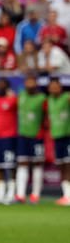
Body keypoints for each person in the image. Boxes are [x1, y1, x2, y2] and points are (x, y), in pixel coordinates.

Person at [15, 75, 46, 204]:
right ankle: (20, 194)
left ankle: (35, 194)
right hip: (23, 135)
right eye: (28, 82)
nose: (30, 85)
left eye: (32, 82)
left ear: (36, 84)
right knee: (22, 163)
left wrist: (42, 130)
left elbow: (47, 116)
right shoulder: (21, 96)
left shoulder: (42, 98)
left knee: (37, 164)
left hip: (37, 136)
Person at [0, 78, 18, 204]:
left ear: (7, 87)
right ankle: (0, 194)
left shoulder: (13, 100)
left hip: (9, 137)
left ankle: (11, 193)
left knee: (10, 166)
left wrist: (13, 95)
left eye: (2, 85)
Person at [46, 78, 70, 206]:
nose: (54, 89)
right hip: (57, 136)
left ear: (61, 88)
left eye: (56, 87)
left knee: (68, 165)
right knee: (61, 166)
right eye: (52, 87)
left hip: (68, 135)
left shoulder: (66, 97)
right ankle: (67, 195)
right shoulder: (49, 100)